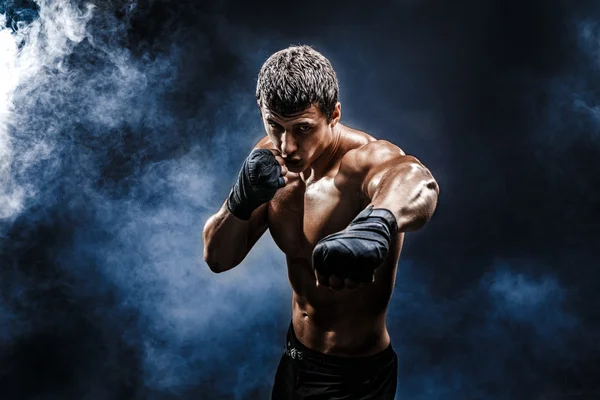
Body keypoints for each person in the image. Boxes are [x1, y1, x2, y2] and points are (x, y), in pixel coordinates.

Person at [202, 45, 439, 399]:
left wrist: (378, 222)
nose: (288, 145)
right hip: (295, 360)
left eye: (302, 128)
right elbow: (218, 259)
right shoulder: (271, 158)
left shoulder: (364, 161)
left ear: (334, 114)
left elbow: (417, 182)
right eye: (275, 126)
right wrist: (240, 199)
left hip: (354, 380)